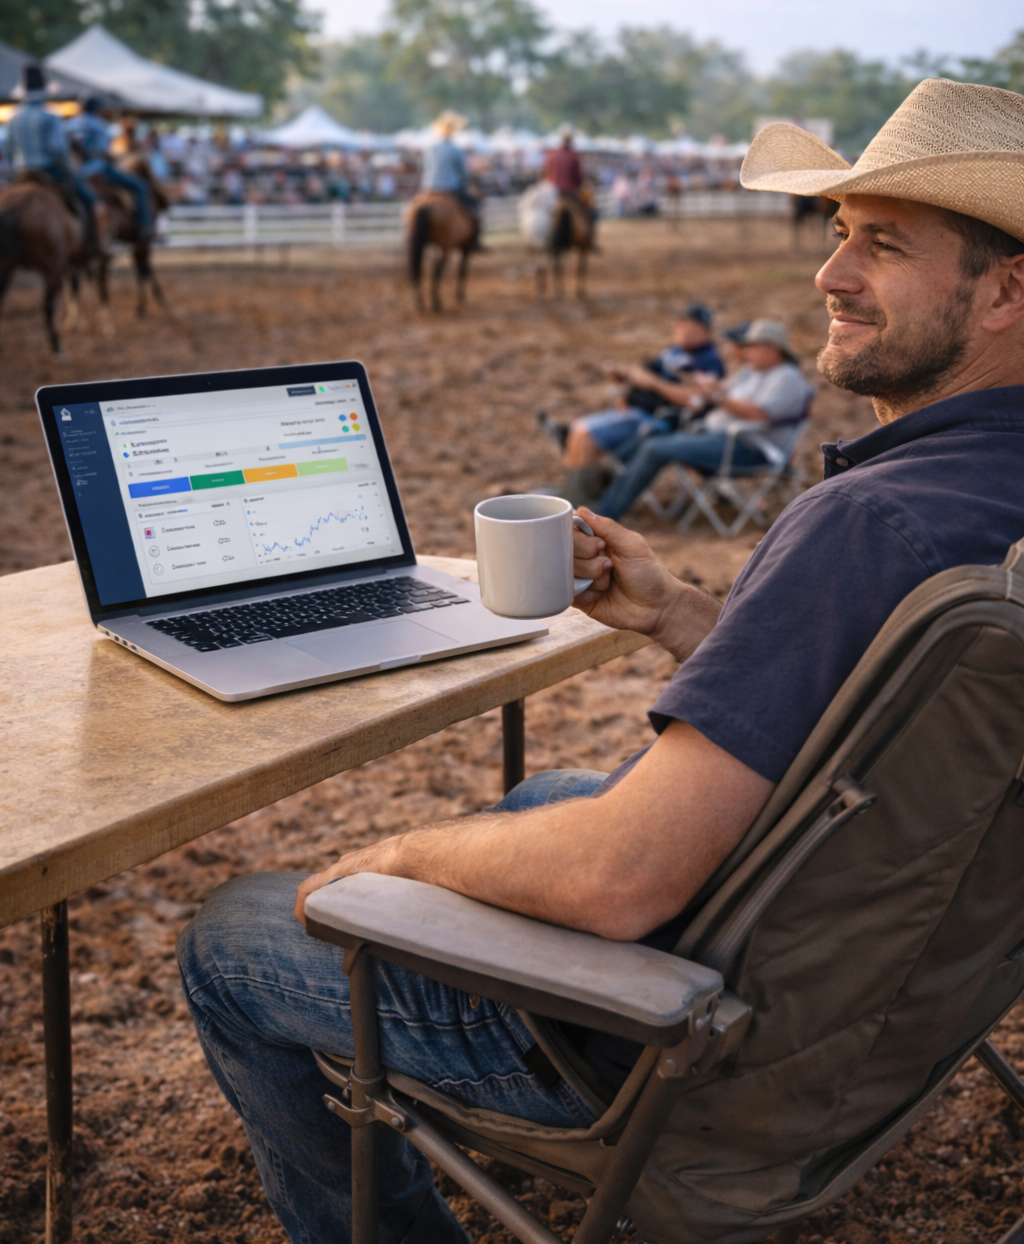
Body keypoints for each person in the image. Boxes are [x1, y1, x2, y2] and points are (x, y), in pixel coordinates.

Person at [178, 77, 1024, 1244]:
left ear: (1004, 292)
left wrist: (395, 855)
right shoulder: (984, 505)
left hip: (686, 1050)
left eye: (881, 247)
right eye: (837, 237)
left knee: (235, 932)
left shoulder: (869, 527)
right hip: (882, 996)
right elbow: (882, 716)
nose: (828, 276)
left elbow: (623, 883)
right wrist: (682, 614)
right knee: (540, 795)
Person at [593, 317, 811, 522]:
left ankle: (605, 512)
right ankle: (602, 483)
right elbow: (722, 390)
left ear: (773, 348)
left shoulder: (786, 377)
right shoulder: (752, 371)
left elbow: (760, 415)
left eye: (751, 346)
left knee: (654, 448)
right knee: (654, 433)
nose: (746, 351)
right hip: (716, 436)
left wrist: (717, 397)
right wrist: (701, 384)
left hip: (746, 447)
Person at [545, 302, 725, 472]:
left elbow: (695, 401)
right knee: (576, 433)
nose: (676, 328)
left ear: (701, 329)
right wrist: (625, 376)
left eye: (683, 324)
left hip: (658, 421)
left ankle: (583, 498)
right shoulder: (674, 351)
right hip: (635, 409)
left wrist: (655, 384)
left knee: (585, 436)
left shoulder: (708, 360)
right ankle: (571, 496)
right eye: (677, 323)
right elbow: (647, 374)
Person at [5, 64, 102, 248]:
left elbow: (9, 151)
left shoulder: (13, 118)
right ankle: (94, 244)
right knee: (89, 199)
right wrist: (68, 173)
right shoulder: (49, 116)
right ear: (44, 90)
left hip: (22, 174)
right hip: (48, 170)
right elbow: (57, 150)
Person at [70, 95, 153, 236]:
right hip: (98, 170)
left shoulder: (70, 124)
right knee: (140, 186)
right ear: (96, 109)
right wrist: (115, 158)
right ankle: (144, 226)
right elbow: (104, 153)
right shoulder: (99, 124)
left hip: (76, 172)